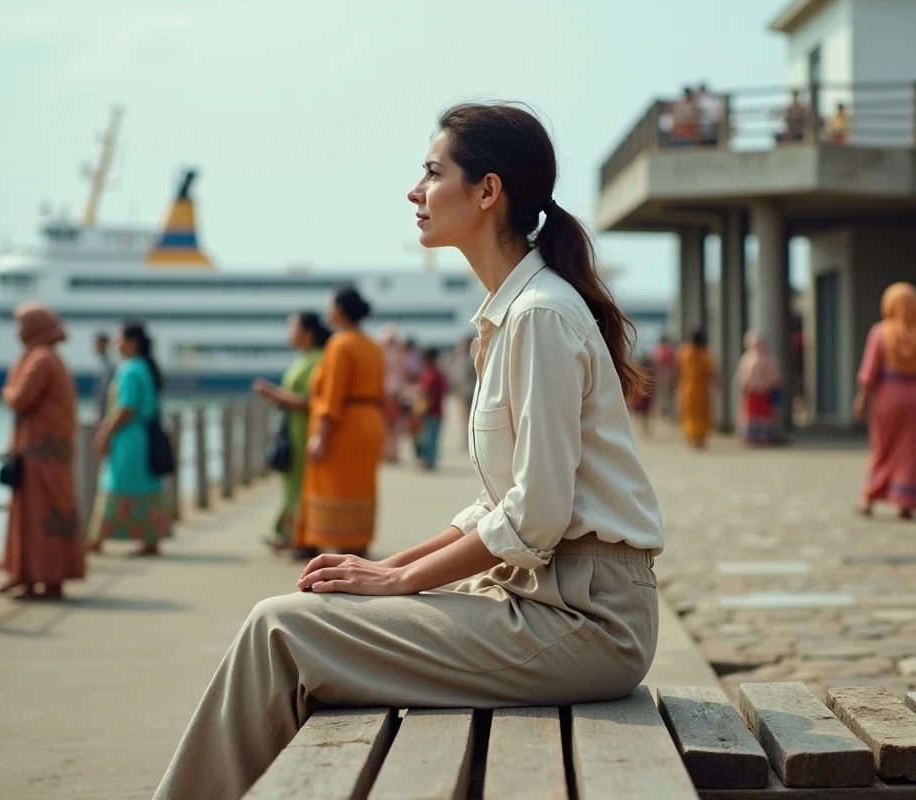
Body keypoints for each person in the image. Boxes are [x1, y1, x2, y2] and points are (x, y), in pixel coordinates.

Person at [153, 102, 664, 800]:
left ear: (488, 192)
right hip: (549, 601)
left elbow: (534, 515)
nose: (413, 190)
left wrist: (399, 584)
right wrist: (388, 566)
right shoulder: (512, 313)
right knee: (308, 618)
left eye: (431, 172)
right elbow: (498, 502)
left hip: (586, 622)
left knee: (281, 630)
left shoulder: (538, 316)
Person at [0, 302, 84, 600]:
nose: (17, 332)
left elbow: (19, 398)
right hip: (48, 453)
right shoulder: (47, 358)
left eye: (22, 325)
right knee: (38, 513)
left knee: (35, 514)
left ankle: (38, 577)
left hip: (41, 454)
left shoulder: (40, 360)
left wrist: (6, 391)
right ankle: (31, 575)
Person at [291, 286, 386, 561]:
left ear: (340, 311)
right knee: (361, 485)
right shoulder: (372, 344)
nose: (327, 312)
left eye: (330, 306)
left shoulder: (340, 344)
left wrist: (321, 434)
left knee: (335, 485)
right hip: (369, 421)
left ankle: (339, 543)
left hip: (344, 425)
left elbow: (332, 395)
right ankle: (358, 540)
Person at [853, 283, 916, 520]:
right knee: (914, 450)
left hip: (889, 396)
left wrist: (862, 400)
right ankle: (905, 501)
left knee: (883, 447)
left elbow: (868, 373)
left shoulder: (880, 333)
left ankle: (869, 496)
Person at [91, 322, 172, 554]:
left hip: (129, 438)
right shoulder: (144, 366)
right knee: (145, 488)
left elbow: (126, 407)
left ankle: (97, 540)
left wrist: (105, 432)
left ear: (132, 342)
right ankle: (150, 539)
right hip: (142, 436)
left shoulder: (130, 369)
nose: (115, 345)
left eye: (119, 339)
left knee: (115, 487)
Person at [254, 312, 331, 551]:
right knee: (292, 483)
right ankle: (290, 534)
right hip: (294, 427)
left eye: (294, 329)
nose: (290, 334)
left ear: (308, 332)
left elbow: (312, 401)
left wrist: (274, 395)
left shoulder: (317, 360)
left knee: (301, 483)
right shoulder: (305, 358)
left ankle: (300, 535)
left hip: (305, 428)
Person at [734, 331, 782, 446]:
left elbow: (774, 375)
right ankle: (750, 436)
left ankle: (762, 437)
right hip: (752, 391)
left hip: (763, 391)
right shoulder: (748, 357)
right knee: (751, 415)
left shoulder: (766, 358)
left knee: (763, 415)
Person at [676, 329, 715, 449]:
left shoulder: (684, 352)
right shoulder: (704, 354)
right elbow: (710, 373)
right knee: (701, 413)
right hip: (701, 389)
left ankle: (693, 438)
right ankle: (699, 439)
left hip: (688, 388)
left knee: (690, 413)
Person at [414, 347, 448, 469]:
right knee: (432, 437)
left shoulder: (431, 375)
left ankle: (428, 461)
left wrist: (422, 411)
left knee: (428, 438)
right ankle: (430, 460)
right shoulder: (437, 374)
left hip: (431, 412)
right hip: (437, 411)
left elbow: (428, 395)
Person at [378, 324, 407, 463]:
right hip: (384, 396)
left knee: (394, 426)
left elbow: (402, 377)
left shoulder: (399, 356)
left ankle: (393, 452)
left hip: (394, 395)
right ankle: (385, 452)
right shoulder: (380, 355)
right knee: (384, 426)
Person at [628, 350, 655, 438]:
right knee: (645, 415)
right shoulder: (649, 375)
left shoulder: (638, 373)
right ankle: (645, 429)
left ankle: (643, 429)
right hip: (646, 397)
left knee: (641, 414)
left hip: (642, 397)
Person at [653, 336, 677, 419]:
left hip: (663, 375)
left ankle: (665, 411)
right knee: (666, 394)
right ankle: (666, 411)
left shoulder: (660, 351)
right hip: (667, 375)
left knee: (664, 394)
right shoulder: (668, 351)